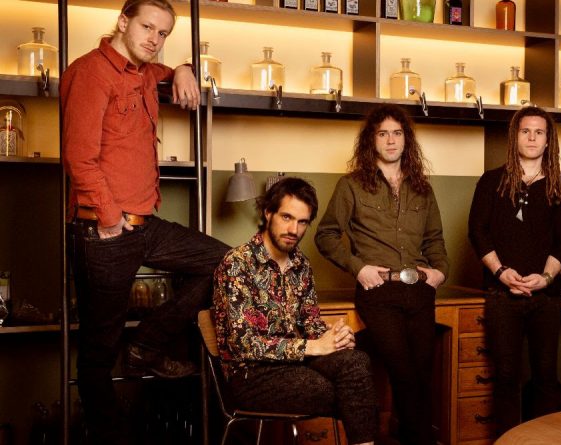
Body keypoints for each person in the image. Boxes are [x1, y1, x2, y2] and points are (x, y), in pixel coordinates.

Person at [61, 1, 230, 443]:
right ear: (123, 22)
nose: (154, 39)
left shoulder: (145, 72)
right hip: (103, 229)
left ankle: (147, 345)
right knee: (99, 352)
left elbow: (166, 71)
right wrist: (110, 218)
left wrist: (185, 68)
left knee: (227, 262)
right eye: (147, 27)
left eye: (163, 33)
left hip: (144, 223)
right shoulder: (90, 72)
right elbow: (79, 158)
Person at [315, 104, 448, 445]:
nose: (391, 140)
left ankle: (406, 435)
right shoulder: (351, 186)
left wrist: (439, 273)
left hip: (419, 291)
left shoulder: (423, 188)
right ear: (371, 140)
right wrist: (359, 269)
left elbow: (434, 240)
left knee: (422, 375)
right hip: (378, 292)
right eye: (383, 133)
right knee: (403, 374)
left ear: (406, 139)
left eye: (397, 133)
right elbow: (326, 235)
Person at [213, 177, 377, 445]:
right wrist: (313, 347)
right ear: (268, 213)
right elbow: (243, 344)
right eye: (287, 217)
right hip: (251, 375)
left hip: (297, 363)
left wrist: (334, 337)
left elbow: (311, 324)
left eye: (302, 222)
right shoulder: (237, 264)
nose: (294, 229)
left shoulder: (301, 264)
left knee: (356, 362)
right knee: (340, 389)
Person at [467, 106, 561, 435]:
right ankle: (508, 441)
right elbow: (477, 232)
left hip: (546, 298)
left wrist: (545, 278)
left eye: (539, 132)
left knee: (545, 376)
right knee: (506, 377)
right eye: (525, 131)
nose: (531, 138)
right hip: (502, 294)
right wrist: (501, 272)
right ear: (515, 137)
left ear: (548, 141)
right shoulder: (491, 181)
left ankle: (540, 442)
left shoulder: (558, 187)